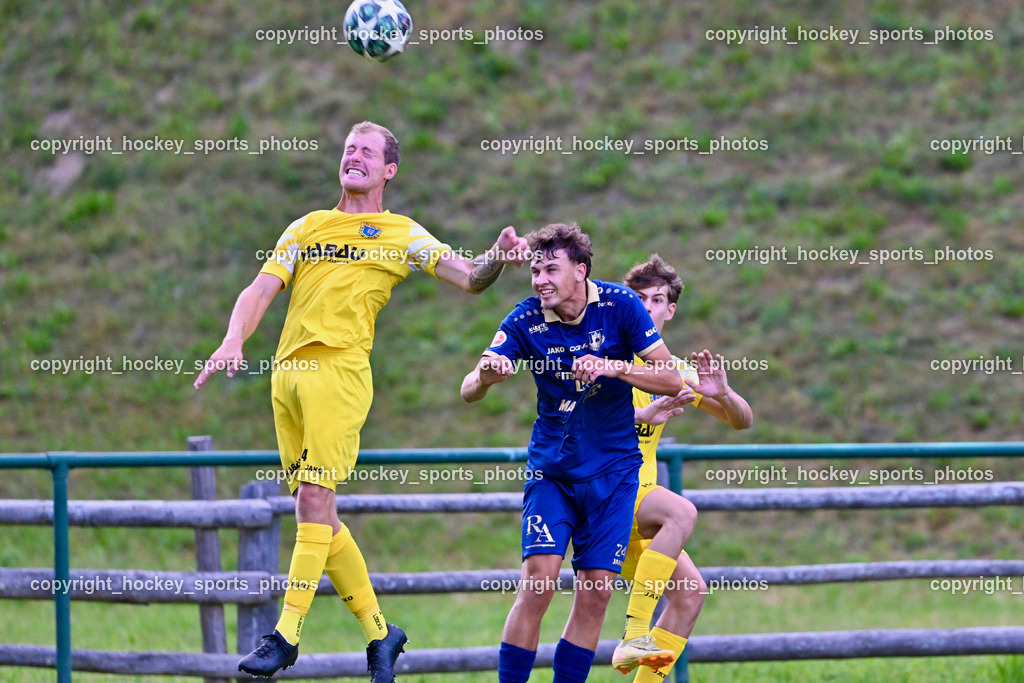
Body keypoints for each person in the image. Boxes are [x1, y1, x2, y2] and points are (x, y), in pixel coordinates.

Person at [193, 120, 528, 681]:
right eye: (349, 149)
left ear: (388, 170)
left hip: (339, 372)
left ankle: (286, 635)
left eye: (367, 152)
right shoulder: (305, 226)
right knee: (316, 512)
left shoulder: (400, 232)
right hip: (288, 374)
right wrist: (234, 339)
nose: (354, 156)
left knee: (317, 499)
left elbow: (470, 276)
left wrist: (495, 254)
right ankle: (380, 633)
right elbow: (260, 289)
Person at [460, 223, 683, 683]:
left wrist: (613, 367)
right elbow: (468, 388)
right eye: (535, 270)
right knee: (539, 581)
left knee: (597, 591)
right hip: (554, 474)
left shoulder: (621, 306)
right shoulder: (524, 320)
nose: (539, 278)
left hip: (615, 474)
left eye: (550, 270)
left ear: (580, 271)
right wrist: (487, 375)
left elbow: (671, 379)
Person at [611, 254, 753, 680]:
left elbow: (742, 420)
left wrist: (723, 394)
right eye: (638, 298)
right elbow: (569, 421)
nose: (647, 307)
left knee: (690, 595)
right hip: (607, 495)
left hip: (641, 509)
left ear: (670, 311)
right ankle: (634, 632)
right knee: (682, 510)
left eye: (657, 300)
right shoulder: (606, 358)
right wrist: (640, 416)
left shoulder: (673, 371)